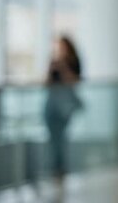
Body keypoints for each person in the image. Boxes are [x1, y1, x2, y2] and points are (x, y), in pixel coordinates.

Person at [43, 36, 83, 189]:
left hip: (65, 105)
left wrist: (64, 68)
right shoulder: (53, 61)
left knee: (61, 138)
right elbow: (46, 83)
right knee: (53, 139)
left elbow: (75, 81)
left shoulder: (73, 61)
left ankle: (61, 170)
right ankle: (55, 170)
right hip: (52, 104)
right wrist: (52, 68)